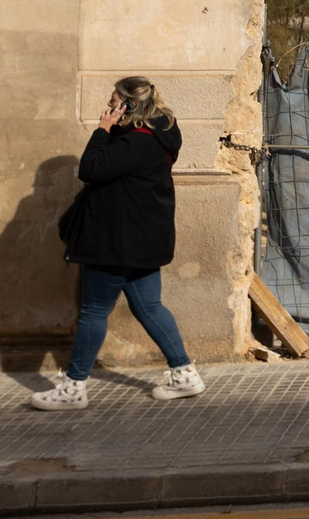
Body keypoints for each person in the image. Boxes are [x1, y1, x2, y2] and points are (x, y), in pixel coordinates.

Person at [32, 76, 206, 410]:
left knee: (95, 311)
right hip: (140, 241)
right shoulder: (158, 138)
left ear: (129, 106)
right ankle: (184, 374)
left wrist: (102, 130)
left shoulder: (134, 144)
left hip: (114, 242)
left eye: (114, 102)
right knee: (149, 307)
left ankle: (74, 388)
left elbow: (91, 169)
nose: (108, 107)